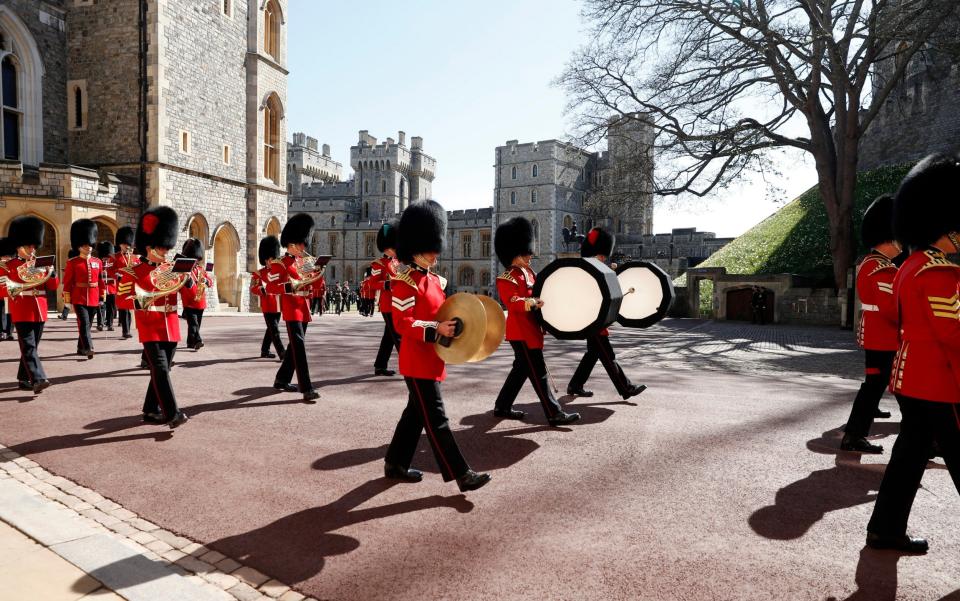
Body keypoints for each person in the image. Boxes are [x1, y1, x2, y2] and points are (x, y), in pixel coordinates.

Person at [866, 153, 960, 553]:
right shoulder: (938, 272)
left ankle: (885, 529)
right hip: (940, 381)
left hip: (912, 378)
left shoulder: (910, 265)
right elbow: (953, 334)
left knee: (908, 457)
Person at [384, 200, 491, 492]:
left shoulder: (435, 281)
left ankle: (395, 463)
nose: (435, 253)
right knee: (437, 419)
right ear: (415, 246)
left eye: (435, 246)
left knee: (415, 414)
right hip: (416, 360)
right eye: (430, 247)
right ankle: (462, 474)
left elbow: (443, 314)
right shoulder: (404, 282)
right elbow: (402, 324)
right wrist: (435, 330)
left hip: (433, 357)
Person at [491, 217, 580, 426]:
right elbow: (513, 303)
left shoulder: (530, 273)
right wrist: (532, 302)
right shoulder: (507, 277)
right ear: (516, 251)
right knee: (538, 374)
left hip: (532, 330)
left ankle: (502, 406)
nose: (530, 254)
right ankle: (553, 412)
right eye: (526, 251)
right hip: (520, 332)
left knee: (520, 371)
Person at [120, 206, 191, 428]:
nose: (165, 252)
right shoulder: (133, 271)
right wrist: (147, 299)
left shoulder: (171, 268)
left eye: (166, 247)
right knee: (160, 369)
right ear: (149, 247)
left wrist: (188, 282)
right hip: (149, 325)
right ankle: (172, 413)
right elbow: (122, 301)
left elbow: (185, 293)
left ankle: (151, 409)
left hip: (170, 324)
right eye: (161, 248)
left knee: (163, 370)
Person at [841, 195, 899, 454]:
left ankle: (854, 434)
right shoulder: (880, 268)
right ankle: (854, 435)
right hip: (884, 338)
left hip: (880, 337)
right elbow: (892, 310)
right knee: (874, 387)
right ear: (888, 237)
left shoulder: (874, 264)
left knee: (876, 386)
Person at [566, 227, 647, 400]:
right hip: (592, 321)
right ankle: (626, 388)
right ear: (594, 253)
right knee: (608, 356)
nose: (603, 258)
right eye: (601, 255)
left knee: (593, 354)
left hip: (597, 322)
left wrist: (612, 273)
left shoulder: (596, 268)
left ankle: (575, 384)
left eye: (604, 255)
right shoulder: (585, 270)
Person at [267, 213, 321, 402]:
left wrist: (318, 272)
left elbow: (313, 284)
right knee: (299, 347)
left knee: (294, 347)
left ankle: (281, 379)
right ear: (293, 243)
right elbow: (271, 287)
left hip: (303, 307)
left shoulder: (303, 262)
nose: (304, 247)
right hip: (291, 309)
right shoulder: (279, 263)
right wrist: (290, 286)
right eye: (303, 243)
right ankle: (306, 387)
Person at [6, 215, 60, 393]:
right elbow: (2, 289)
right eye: (28, 245)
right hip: (21, 309)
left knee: (32, 347)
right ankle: (38, 378)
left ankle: (23, 378)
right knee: (29, 346)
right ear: (18, 246)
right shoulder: (9, 266)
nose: (31, 249)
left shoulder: (40, 264)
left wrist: (51, 273)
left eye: (33, 246)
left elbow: (52, 286)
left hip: (40, 310)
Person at [63, 219, 104, 359]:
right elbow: (67, 282)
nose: (89, 247)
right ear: (79, 246)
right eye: (85, 245)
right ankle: (88, 347)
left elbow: (100, 281)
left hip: (93, 296)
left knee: (88, 324)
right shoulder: (72, 263)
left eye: (90, 245)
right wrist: (67, 301)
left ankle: (80, 347)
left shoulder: (97, 262)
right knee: (84, 324)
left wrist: (102, 297)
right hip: (78, 297)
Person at [369, 221, 402, 376]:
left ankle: (380, 365)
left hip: (398, 303)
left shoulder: (397, 262)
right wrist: (388, 284)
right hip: (387, 304)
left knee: (388, 337)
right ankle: (411, 367)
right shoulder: (378, 264)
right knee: (398, 336)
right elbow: (373, 283)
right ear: (388, 247)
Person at [250, 236, 285, 360]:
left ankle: (264, 351)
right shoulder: (258, 273)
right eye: (269, 259)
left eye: (272, 259)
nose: (271, 261)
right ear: (265, 260)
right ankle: (282, 353)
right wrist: (262, 289)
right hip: (267, 305)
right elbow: (253, 288)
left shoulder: (279, 271)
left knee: (270, 329)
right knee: (275, 330)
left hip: (278, 304)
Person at [179, 238, 213, 351]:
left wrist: (207, 282)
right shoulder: (184, 269)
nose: (196, 261)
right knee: (194, 325)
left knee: (196, 324)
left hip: (200, 301)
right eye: (194, 258)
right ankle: (198, 340)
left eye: (197, 259)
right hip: (189, 302)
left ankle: (190, 342)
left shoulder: (201, 269)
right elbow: (181, 286)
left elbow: (210, 281)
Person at [112, 226, 139, 339]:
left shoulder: (134, 258)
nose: (127, 246)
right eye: (124, 244)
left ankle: (129, 328)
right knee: (124, 309)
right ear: (120, 244)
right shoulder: (115, 257)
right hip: (121, 287)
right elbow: (110, 271)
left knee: (131, 309)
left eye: (128, 244)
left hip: (133, 288)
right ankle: (125, 331)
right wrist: (118, 276)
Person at [97, 241, 117, 332]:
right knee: (101, 306)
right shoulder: (98, 262)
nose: (106, 257)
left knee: (111, 307)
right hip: (101, 288)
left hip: (112, 287)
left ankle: (110, 324)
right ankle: (100, 323)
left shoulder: (113, 261)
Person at [0, 237, 15, 342]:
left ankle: (9, 332)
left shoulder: (14, 264)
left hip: (11, 291)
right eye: (4, 255)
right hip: (0, 291)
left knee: (10, 313)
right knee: (0, 312)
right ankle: (1, 332)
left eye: (8, 255)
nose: (6, 257)